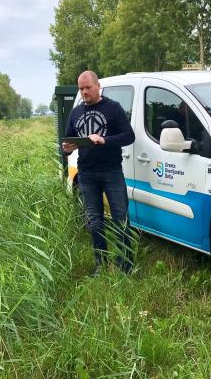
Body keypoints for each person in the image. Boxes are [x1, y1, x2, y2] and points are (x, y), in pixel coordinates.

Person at [62, 71, 135, 274]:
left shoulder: (113, 108)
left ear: (98, 86)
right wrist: (67, 147)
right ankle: (101, 265)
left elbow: (129, 136)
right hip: (86, 174)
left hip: (111, 172)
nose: (84, 92)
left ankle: (126, 266)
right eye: (81, 88)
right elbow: (68, 139)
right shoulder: (76, 112)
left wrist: (105, 140)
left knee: (121, 219)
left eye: (87, 87)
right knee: (94, 222)